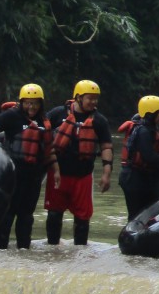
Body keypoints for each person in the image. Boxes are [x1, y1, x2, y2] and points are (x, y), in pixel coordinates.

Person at [0, 83, 58, 249]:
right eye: (28, 103)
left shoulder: (44, 121)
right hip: (13, 175)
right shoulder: (12, 116)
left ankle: (23, 250)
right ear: (22, 102)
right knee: (7, 214)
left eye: (35, 103)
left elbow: (49, 150)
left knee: (26, 216)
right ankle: (1, 250)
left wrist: (56, 171)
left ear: (41, 104)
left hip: (33, 177)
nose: (32, 107)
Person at [44, 80, 113, 245]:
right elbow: (43, 137)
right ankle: (52, 251)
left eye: (96, 99)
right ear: (78, 97)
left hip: (83, 176)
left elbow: (106, 147)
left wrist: (106, 174)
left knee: (82, 219)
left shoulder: (99, 121)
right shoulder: (57, 114)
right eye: (90, 98)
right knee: (54, 215)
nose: (94, 102)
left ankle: (80, 254)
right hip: (58, 174)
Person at [118, 96, 159, 220]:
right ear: (150, 113)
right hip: (133, 178)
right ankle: (131, 237)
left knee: (144, 213)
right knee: (136, 215)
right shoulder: (143, 132)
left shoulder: (148, 130)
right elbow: (149, 158)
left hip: (140, 177)